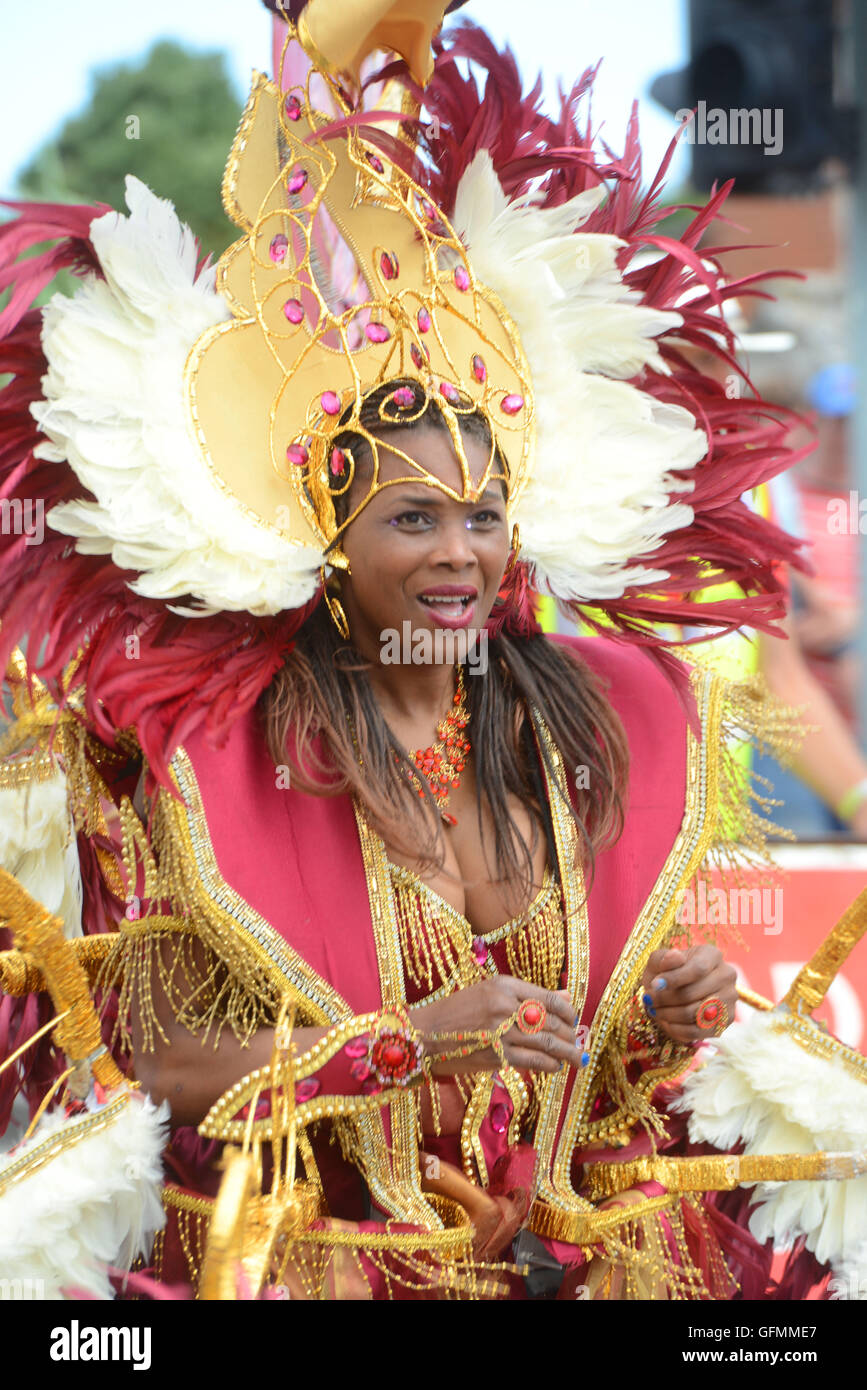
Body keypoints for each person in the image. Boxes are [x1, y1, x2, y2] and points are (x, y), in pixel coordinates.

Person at [0, 0, 837, 1300]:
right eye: (413, 517)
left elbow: (597, 1088)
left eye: (485, 515)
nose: (461, 551)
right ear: (328, 542)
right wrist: (396, 1048)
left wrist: (653, 1025)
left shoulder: (597, 724)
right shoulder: (211, 754)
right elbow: (149, 1060)